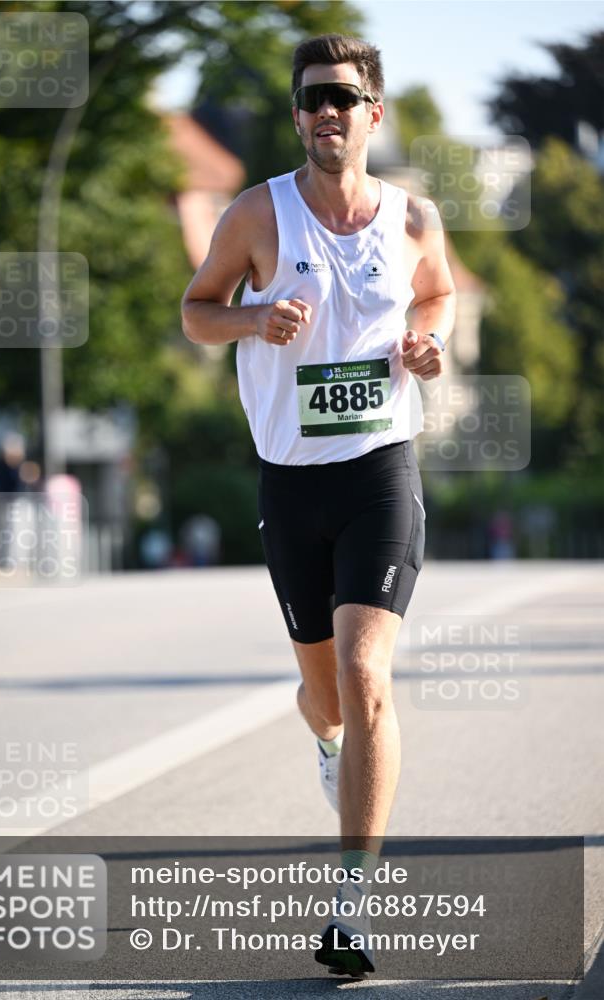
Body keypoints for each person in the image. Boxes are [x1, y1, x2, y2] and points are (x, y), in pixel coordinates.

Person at [181, 32, 456, 978]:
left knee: (364, 669)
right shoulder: (257, 215)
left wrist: (428, 343)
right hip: (288, 481)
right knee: (326, 694)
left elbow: (439, 294)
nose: (324, 112)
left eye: (341, 95)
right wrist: (251, 319)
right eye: (309, 100)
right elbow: (195, 308)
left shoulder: (414, 215)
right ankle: (334, 745)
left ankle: (354, 903)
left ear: (372, 110)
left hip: (380, 468)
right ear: (297, 116)